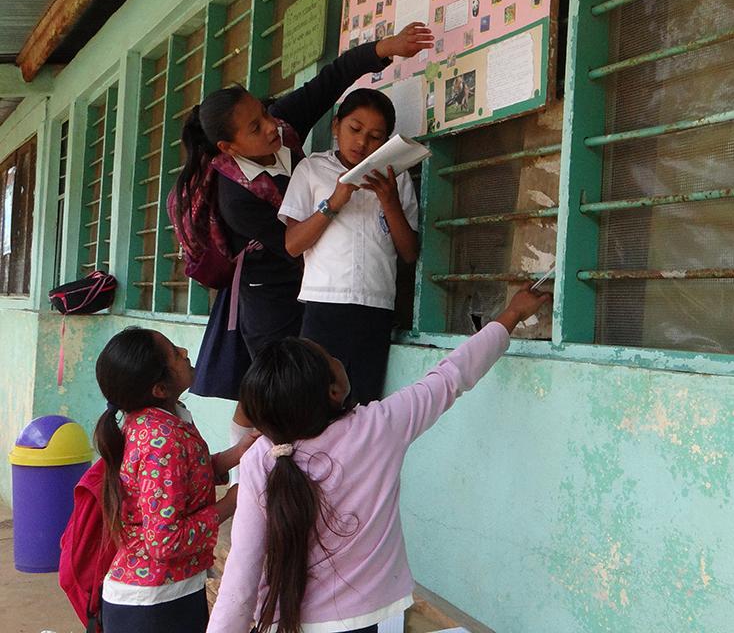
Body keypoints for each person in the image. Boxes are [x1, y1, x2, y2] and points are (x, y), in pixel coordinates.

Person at [206, 286, 551, 633]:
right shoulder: (378, 427)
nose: (336, 357)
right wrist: (511, 316)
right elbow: (450, 377)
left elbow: (241, 577)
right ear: (334, 390)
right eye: (329, 356)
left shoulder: (261, 458)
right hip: (359, 622)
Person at [173, 24, 433, 444]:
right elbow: (291, 245)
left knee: (332, 392)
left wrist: (388, 48)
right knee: (277, 390)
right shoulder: (237, 196)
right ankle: (250, 468)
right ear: (230, 148)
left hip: (328, 284)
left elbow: (333, 78)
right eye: (255, 129)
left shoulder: (283, 124)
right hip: (271, 286)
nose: (270, 127)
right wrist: (335, 204)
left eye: (263, 113)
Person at [92, 327, 258, 633]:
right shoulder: (161, 440)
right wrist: (231, 503)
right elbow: (164, 541)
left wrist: (237, 453)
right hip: (154, 606)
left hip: (163, 594)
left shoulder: (152, 423)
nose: (184, 352)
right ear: (159, 389)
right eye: (174, 354)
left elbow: (179, 479)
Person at [279, 88, 418, 404]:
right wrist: (335, 201)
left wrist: (389, 200)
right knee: (314, 401)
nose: (362, 142)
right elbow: (293, 244)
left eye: (375, 136)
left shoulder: (396, 177)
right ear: (336, 125)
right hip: (324, 304)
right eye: (355, 129)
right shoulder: (312, 170)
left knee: (364, 403)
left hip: (376, 306)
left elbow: (409, 252)